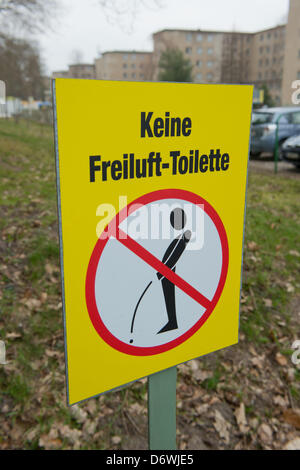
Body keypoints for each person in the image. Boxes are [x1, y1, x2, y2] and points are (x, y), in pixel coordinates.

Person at [157, 208, 191, 334]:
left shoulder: (185, 234)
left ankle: (172, 321)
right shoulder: (175, 235)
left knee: (170, 295)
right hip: (166, 271)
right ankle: (171, 321)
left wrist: (163, 270)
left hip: (170, 272)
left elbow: (176, 254)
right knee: (167, 295)